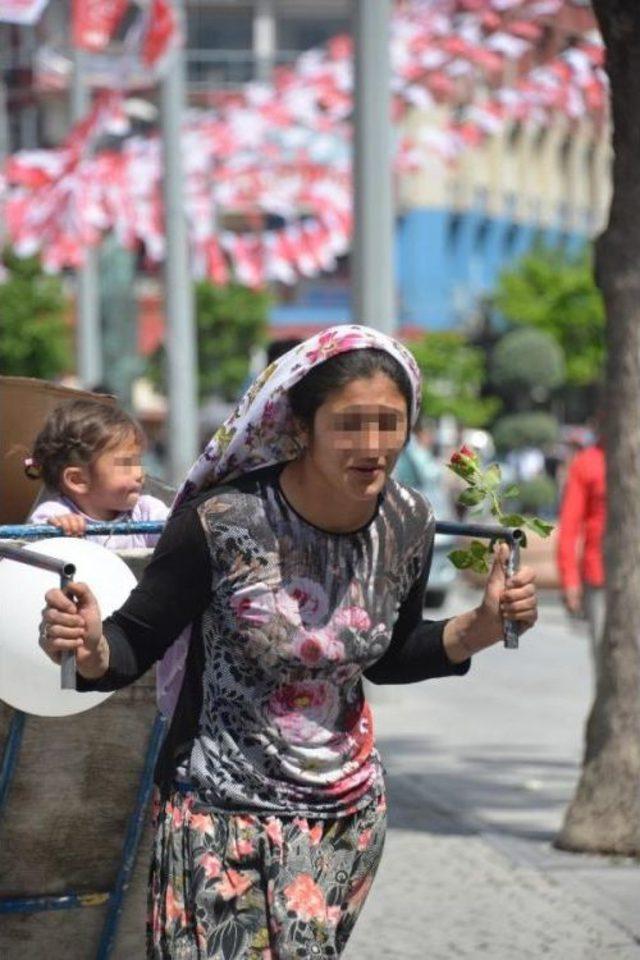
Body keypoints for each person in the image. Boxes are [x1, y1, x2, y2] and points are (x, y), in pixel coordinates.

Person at [39, 326, 537, 960]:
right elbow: (135, 641)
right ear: (301, 426)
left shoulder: (407, 521)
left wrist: (483, 626)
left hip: (345, 823)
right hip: (217, 818)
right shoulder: (221, 524)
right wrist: (90, 648)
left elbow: (388, 654)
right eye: (350, 422)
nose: (373, 444)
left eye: (390, 423)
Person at [26, 398, 169, 549]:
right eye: (126, 465)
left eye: (138, 462)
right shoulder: (55, 514)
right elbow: (31, 547)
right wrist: (57, 533)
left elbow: (178, 532)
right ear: (77, 480)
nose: (140, 473)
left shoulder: (144, 511)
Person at [556, 433, 606, 676]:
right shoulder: (587, 462)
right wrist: (570, 579)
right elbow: (569, 526)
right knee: (607, 660)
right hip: (601, 579)